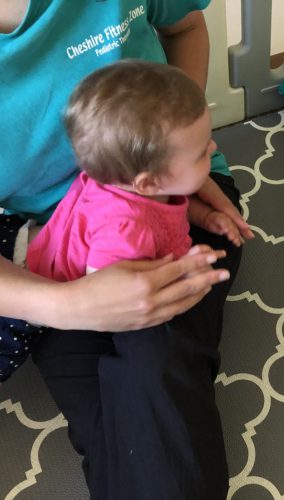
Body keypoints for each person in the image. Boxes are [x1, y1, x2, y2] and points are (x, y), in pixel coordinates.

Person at [0, 1, 250, 498]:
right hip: (57, 257)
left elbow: (188, 28)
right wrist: (67, 304)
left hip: (174, 196)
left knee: (157, 362)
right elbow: (89, 287)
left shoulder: (168, 178)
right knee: (107, 408)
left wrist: (177, 155)